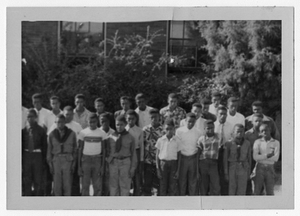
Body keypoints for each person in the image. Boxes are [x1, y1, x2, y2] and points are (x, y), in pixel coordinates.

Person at [106, 115, 137, 196]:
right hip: (113, 163)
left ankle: (124, 206)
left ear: (125, 124)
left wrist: (133, 168)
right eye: (117, 125)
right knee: (113, 186)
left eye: (121, 124)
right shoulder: (111, 137)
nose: (119, 127)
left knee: (125, 186)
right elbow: (107, 151)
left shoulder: (130, 137)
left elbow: (133, 153)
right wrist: (108, 162)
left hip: (125, 162)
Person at [78, 113, 107, 196]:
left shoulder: (102, 133)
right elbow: (80, 149)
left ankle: (96, 205)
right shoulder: (83, 133)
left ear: (97, 121)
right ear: (87, 122)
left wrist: (102, 166)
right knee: (85, 185)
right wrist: (79, 166)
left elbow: (104, 150)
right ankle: (86, 205)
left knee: (97, 185)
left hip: (97, 160)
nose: (92, 124)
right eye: (90, 122)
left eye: (94, 122)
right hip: (85, 160)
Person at [47, 114, 77, 196]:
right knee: (57, 184)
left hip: (68, 160)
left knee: (67, 184)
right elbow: (49, 150)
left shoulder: (71, 134)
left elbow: (75, 149)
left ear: (65, 122)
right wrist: (50, 164)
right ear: (55, 123)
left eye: (62, 122)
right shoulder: (52, 134)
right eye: (58, 122)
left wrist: (74, 163)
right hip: (56, 160)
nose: (60, 124)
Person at [22, 108, 47, 196]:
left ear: (36, 117)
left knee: (37, 179)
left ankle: (37, 199)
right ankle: (28, 198)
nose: (29, 119)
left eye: (31, 117)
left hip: (37, 156)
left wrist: (43, 160)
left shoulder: (41, 130)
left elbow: (44, 146)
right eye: (28, 117)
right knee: (27, 179)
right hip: (26, 155)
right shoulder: (24, 130)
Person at [176, 113, 202, 196]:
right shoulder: (179, 131)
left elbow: (199, 146)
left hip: (193, 158)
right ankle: (182, 201)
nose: (191, 123)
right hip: (183, 158)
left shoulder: (198, 132)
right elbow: (177, 146)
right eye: (189, 121)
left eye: (193, 122)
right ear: (185, 121)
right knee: (182, 181)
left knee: (193, 181)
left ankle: (192, 200)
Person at [155, 119, 181, 196]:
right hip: (163, 164)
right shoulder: (160, 140)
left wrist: (178, 170)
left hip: (173, 164)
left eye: (171, 129)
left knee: (172, 186)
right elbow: (157, 155)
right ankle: (163, 205)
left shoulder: (177, 140)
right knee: (162, 185)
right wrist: (158, 169)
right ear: (164, 129)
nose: (169, 131)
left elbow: (179, 156)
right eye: (167, 129)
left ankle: (171, 205)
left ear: (174, 129)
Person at [223, 124, 251, 195]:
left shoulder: (247, 143)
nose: (239, 133)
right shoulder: (228, 143)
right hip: (232, 167)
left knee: (242, 190)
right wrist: (226, 173)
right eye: (237, 131)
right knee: (232, 189)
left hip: (243, 167)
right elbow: (225, 159)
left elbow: (249, 158)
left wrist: (248, 172)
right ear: (233, 132)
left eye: (242, 131)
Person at [253, 124, 280, 195]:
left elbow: (276, 158)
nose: (264, 132)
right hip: (259, 168)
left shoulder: (276, 142)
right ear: (260, 132)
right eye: (262, 131)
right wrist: (267, 156)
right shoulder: (257, 142)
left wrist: (261, 157)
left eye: (266, 130)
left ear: (270, 130)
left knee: (270, 191)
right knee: (257, 190)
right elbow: (255, 157)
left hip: (270, 168)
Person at [143, 108, 164, 196]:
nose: (153, 119)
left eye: (155, 117)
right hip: (147, 161)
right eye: (151, 117)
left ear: (159, 117)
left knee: (158, 184)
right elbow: (142, 144)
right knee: (147, 183)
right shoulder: (145, 130)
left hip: (158, 161)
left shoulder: (163, 130)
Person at [197, 120, 221, 195]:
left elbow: (221, 151)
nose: (210, 130)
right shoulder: (201, 139)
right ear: (204, 129)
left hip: (214, 163)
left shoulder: (218, 137)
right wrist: (197, 168)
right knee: (203, 185)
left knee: (215, 185)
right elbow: (198, 154)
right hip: (204, 163)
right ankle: (203, 205)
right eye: (208, 128)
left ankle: (214, 205)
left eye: (212, 128)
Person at [214, 105, 233, 195]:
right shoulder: (213, 125)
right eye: (221, 114)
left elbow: (232, 139)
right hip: (215, 153)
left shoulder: (230, 126)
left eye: (225, 114)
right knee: (216, 174)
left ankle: (225, 193)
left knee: (225, 174)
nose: (223, 116)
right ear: (217, 114)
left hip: (226, 152)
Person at [125, 109, 144, 196]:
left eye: (133, 119)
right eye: (129, 119)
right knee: (126, 177)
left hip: (136, 153)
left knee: (137, 178)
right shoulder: (123, 129)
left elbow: (141, 146)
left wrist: (141, 159)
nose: (131, 121)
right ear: (126, 119)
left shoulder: (140, 131)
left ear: (136, 119)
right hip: (126, 155)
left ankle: (137, 196)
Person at [244, 113, 263, 195]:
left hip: (261, 159)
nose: (258, 123)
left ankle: (259, 194)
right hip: (250, 159)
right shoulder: (247, 134)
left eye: (260, 121)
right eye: (256, 121)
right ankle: (248, 194)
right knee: (248, 177)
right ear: (252, 122)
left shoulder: (265, 133)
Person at [99, 113, 115, 196]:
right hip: (98, 160)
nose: (103, 123)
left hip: (110, 161)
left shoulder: (114, 133)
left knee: (108, 181)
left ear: (109, 121)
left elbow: (115, 149)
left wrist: (109, 159)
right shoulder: (97, 132)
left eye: (105, 121)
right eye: (101, 121)